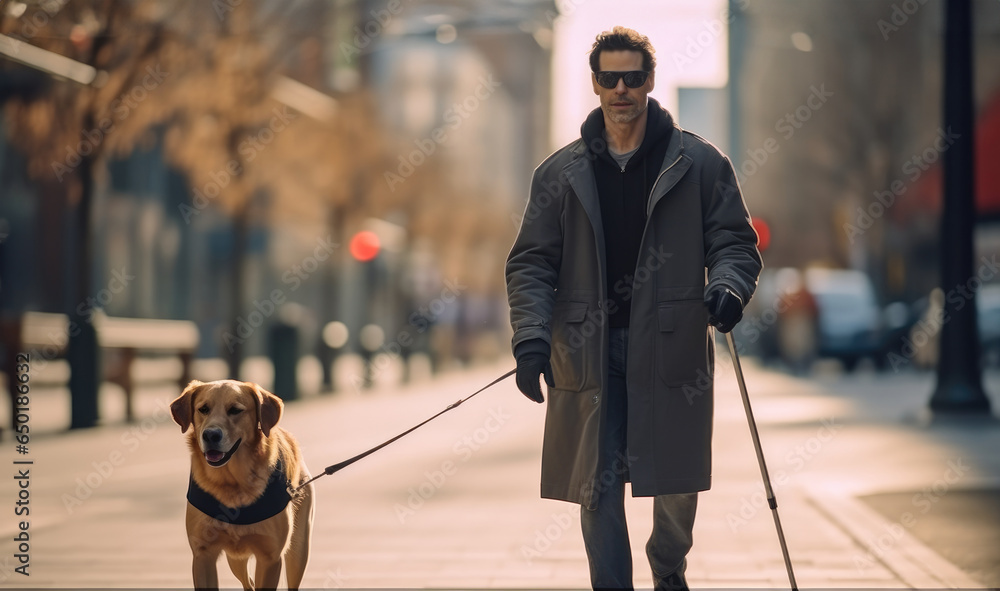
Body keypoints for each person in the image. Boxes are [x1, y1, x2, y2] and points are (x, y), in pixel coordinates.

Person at [505, 26, 762, 591]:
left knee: (675, 480)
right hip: (586, 351)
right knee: (596, 485)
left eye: (633, 77)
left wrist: (729, 287)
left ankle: (668, 566)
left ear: (650, 80)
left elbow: (735, 242)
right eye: (609, 77)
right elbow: (530, 264)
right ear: (594, 83)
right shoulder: (558, 173)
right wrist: (530, 339)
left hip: (670, 345)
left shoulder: (700, 163)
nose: (621, 88)